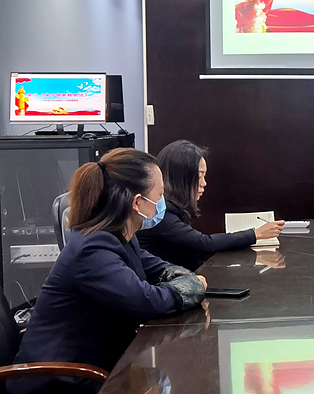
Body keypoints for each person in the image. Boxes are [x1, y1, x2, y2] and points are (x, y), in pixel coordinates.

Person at [9, 148, 207, 394]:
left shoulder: (120, 238)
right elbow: (146, 301)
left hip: (93, 367)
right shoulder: (93, 249)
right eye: (160, 194)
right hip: (57, 381)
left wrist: (185, 280)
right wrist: (191, 286)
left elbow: (161, 269)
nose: (162, 201)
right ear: (137, 203)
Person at [137, 140, 284, 271]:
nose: (204, 183)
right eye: (199, 176)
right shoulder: (159, 214)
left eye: (204, 176)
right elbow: (204, 243)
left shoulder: (172, 209)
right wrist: (255, 234)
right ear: (181, 178)